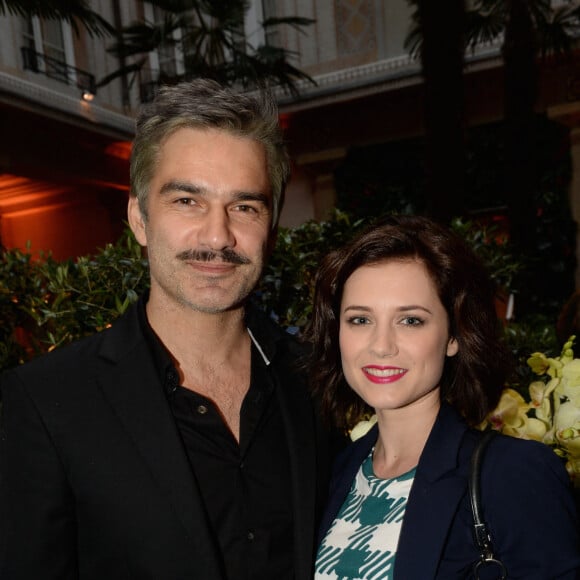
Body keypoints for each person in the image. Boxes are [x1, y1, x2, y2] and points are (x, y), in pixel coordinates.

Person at [0, 79, 334, 580]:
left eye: (245, 206)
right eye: (187, 201)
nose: (218, 236)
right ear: (139, 217)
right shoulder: (48, 401)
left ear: (270, 225)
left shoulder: (317, 380)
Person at [306, 214, 580, 579]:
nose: (381, 346)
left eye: (410, 320)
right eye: (360, 319)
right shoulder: (339, 469)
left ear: (454, 336)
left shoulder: (513, 474)